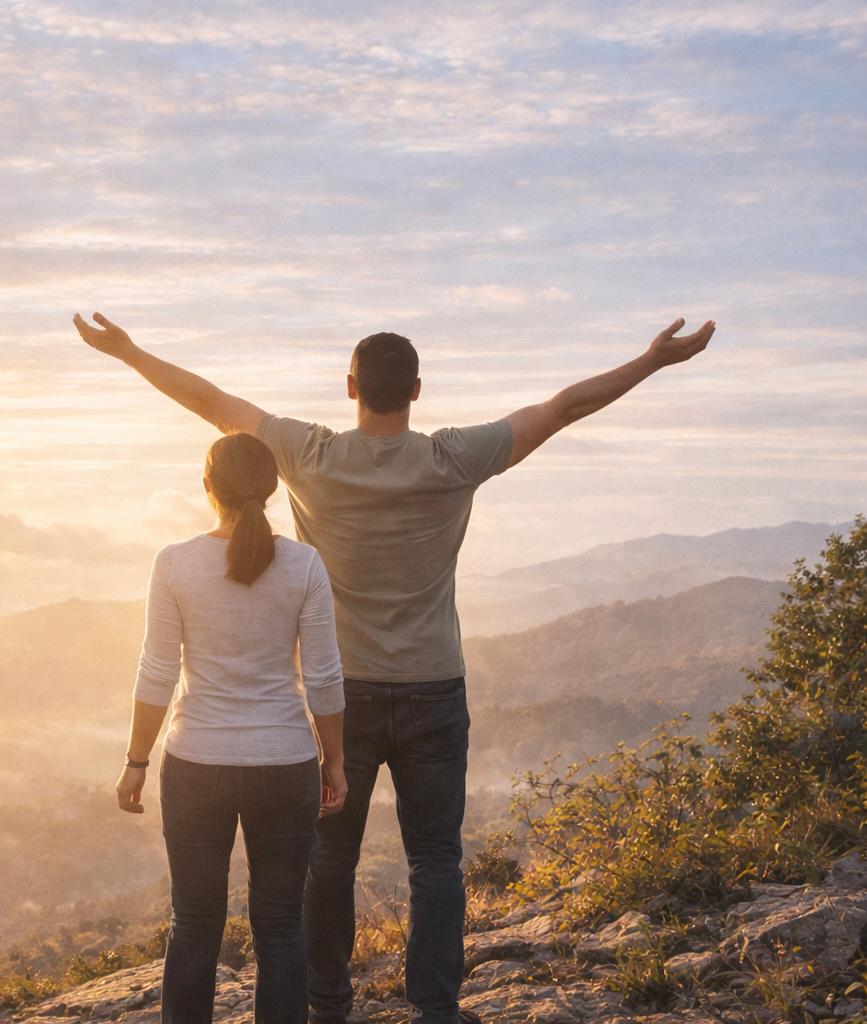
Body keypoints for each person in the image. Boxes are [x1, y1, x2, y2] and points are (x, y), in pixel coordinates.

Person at [78, 311, 715, 1024]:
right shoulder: (454, 458)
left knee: (329, 861)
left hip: (339, 695)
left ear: (350, 387)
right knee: (435, 859)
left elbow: (211, 403)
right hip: (432, 688)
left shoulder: (309, 454)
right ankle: (434, 1010)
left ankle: (327, 1004)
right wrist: (651, 361)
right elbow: (563, 407)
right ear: (415, 389)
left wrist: (130, 352)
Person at [117, 431, 349, 1024]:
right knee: (281, 926)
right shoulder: (304, 564)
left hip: (196, 764)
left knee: (194, 925)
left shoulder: (174, 563)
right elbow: (323, 676)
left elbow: (157, 673)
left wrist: (136, 761)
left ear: (207, 487)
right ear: (271, 489)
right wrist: (335, 762)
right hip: (285, 764)